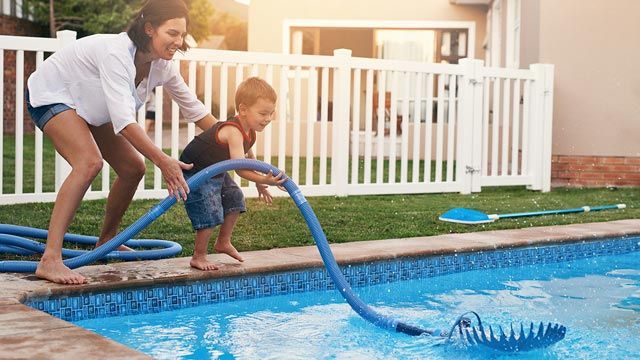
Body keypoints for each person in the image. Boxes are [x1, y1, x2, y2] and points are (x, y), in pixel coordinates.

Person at [25, 0, 217, 285]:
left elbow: (195, 110)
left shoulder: (162, 65)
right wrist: (163, 161)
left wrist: (237, 142)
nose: (179, 41)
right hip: (53, 94)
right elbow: (125, 123)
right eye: (172, 33)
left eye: (182, 35)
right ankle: (50, 259)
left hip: (92, 105)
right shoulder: (117, 54)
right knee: (88, 162)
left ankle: (107, 241)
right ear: (149, 29)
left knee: (132, 168)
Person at [180, 77, 286, 271]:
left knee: (235, 198)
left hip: (214, 170)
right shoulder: (233, 130)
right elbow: (239, 167)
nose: (268, 118)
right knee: (211, 209)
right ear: (243, 110)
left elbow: (248, 158)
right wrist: (264, 179)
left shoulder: (250, 131)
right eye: (263, 113)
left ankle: (223, 242)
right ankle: (198, 256)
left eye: (271, 113)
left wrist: (259, 183)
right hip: (195, 170)